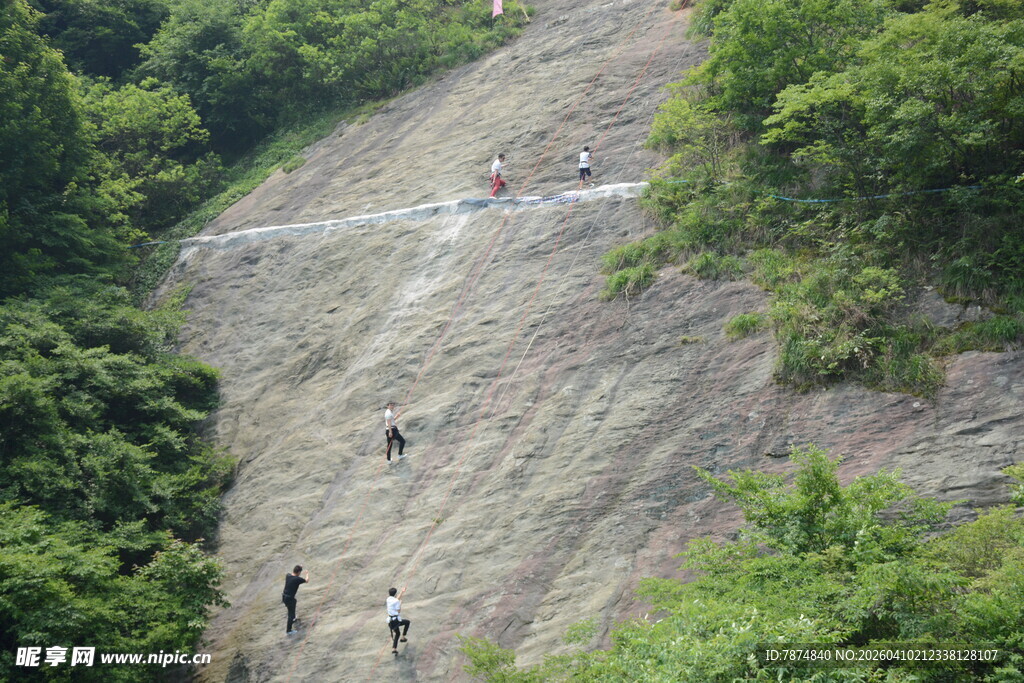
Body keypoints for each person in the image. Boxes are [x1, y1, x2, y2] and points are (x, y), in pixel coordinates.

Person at [282, 565, 309, 635]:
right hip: (289, 599)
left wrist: (300, 566)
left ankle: (293, 619)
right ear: (299, 572)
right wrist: (307, 574)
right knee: (290, 615)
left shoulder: (288, 575)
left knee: (293, 604)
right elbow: (306, 580)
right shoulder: (297, 579)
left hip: (285, 597)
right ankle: (288, 631)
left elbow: (296, 571)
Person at [386, 587, 411, 655]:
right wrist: (400, 604)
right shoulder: (396, 601)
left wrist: (402, 592)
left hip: (390, 621)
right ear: (395, 593)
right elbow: (398, 610)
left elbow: (396, 599)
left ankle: (394, 648)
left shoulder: (388, 599)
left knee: (397, 633)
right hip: (395, 621)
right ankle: (403, 637)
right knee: (407, 622)